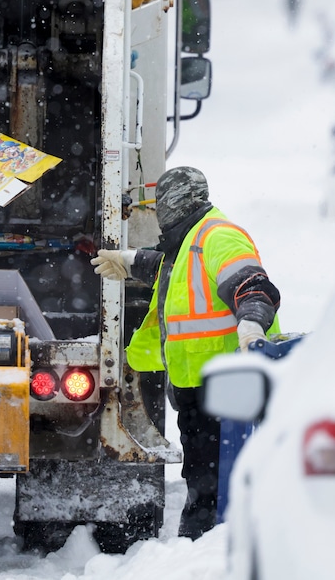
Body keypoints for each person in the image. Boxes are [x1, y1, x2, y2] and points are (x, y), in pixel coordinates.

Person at [91, 166, 280, 540]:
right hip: (201, 394)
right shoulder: (188, 242)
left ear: (171, 204)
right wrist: (129, 262)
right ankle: (202, 548)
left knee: (212, 492)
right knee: (204, 483)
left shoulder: (219, 236)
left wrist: (252, 321)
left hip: (227, 396)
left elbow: (252, 284)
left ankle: (201, 552)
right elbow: (167, 265)